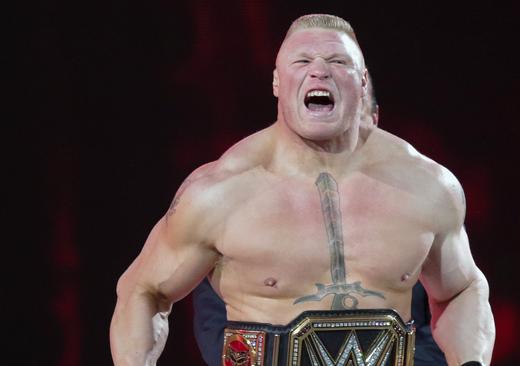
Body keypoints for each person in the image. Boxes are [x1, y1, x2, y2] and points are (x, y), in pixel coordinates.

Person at [110, 14, 495, 366]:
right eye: (302, 61)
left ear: (362, 83)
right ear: (277, 82)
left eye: (338, 62)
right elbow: (143, 291)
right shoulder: (220, 190)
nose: (319, 72)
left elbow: (461, 289)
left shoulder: (427, 184)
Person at [191, 74, 448, 366]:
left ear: (374, 120)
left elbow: (449, 313)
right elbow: (220, 328)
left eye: (354, 116)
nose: (339, 132)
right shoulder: (240, 211)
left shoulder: (417, 212)